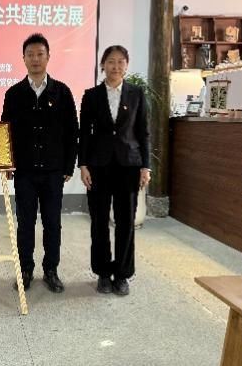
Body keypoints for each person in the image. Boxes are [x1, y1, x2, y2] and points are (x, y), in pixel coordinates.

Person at [1, 33, 78, 293]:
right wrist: (7, 164)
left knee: (52, 223)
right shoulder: (14, 94)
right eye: (30, 55)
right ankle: (25, 269)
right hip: (24, 171)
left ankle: (51, 270)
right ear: (23, 58)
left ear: (48, 57)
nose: (35, 59)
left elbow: (72, 131)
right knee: (25, 223)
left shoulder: (62, 92)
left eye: (40, 54)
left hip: (53, 171)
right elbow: (5, 132)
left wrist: (68, 166)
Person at [78, 45, 150, 296]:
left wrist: (145, 166)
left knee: (125, 222)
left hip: (129, 166)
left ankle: (122, 274)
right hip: (98, 166)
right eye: (111, 61)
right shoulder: (91, 96)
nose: (115, 66)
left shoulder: (136, 94)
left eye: (120, 62)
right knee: (99, 221)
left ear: (126, 66)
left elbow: (143, 132)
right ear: (103, 65)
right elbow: (84, 133)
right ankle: (102, 273)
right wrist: (83, 165)